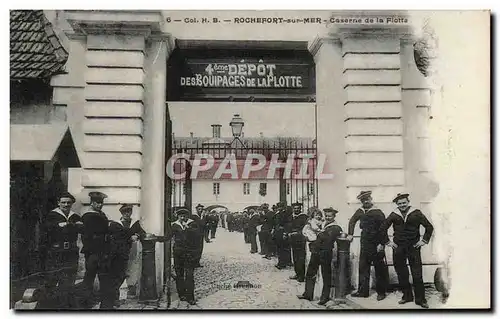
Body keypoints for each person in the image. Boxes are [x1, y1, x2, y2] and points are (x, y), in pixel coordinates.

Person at [380, 193, 434, 309]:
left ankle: (421, 299)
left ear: (408, 202)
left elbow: (429, 227)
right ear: (397, 204)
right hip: (398, 248)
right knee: (402, 273)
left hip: (413, 247)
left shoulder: (416, 213)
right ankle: (407, 296)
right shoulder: (394, 214)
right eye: (399, 204)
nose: (402, 205)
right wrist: (388, 242)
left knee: (417, 273)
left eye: (404, 203)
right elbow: (382, 228)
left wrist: (424, 241)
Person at [42, 192, 82, 308]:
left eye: (68, 203)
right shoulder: (52, 215)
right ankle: (48, 306)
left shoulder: (75, 216)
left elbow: (82, 228)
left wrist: (68, 225)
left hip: (71, 252)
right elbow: (47, 231)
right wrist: (62, 226)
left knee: (69, 279)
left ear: (72, 204)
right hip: (56, 252)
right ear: (58, 203)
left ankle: (65, 306)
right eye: (63, 202)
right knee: (53, 278)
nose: (66, 205)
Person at [347, 191, 389, 301]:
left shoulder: (378, 212)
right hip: (364, 241)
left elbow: (384, 228)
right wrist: (350, 234)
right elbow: (352, 221)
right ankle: (363, 291)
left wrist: (382, 243)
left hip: (376, 242)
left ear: (371, 198)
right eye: (363, 200)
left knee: (379, 268)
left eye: (367, 199)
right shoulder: (360, 211)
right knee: (363, 266)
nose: (365, 201)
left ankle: (381, 292)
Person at [298, 207, 343, 306]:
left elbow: (327, 239)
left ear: (334, 216)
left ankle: (324, 297)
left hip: (325, 253)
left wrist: (318, 235)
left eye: (330, 216)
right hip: (316, 252)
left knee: (325, 275)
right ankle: (308, 294)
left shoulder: (335, 227)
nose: (327, 217)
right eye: (326, 215)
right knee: (310, 272)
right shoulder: (322, 224)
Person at [107, 204, 145, 308]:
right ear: (121, 213)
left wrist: (137, 235)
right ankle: (117, 298)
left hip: (133, 251)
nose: (127, 214)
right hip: (119, 253)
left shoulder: (135, 224)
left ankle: (130, 293)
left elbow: (142, 233)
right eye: (125, 212)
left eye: (129, 211)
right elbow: (115, 239)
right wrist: (129, 239)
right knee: (119, 274)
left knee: (131, 271)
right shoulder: (115, 224)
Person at [80, 191, 112, 308]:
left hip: (103, 251)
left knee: (104, 278)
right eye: (97, 203)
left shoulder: (102, 215)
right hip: (93, 252)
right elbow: (85, 236)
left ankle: (106, 304)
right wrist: (91, 251)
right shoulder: (87, 216)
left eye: (101, 203)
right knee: (89, 278)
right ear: (92, 203)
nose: (100, 205)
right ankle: (85, 303)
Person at [168, 208, 199, 305]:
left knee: (189, 275)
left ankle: (190, 297)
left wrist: (188, 228)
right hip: (178, 253)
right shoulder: (174, 225)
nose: (182, 218)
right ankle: (182, 294)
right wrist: (156, 238)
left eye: (184, 216)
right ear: (178, 216)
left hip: (189, 253)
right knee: (179, 274)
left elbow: (197, 235)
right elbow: (168, 236)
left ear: (187, 216)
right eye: (181, 216)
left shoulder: (192, 224)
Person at [286, 202, 308, 282]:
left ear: (300, 209)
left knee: (301, 257)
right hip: (293, 239)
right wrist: (288, 232)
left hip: (300, 239)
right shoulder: (291, 217)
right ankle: (297, 273)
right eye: (295, 208)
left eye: (298, 208)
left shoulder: (304, 217)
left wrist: (298, 233)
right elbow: (288, 226)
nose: (296, 210)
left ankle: (301, 276)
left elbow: (305, 228)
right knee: (295, 257)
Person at [273, 202, 293, 269]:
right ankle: (283, 262)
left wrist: (285, 232)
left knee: (284, 248)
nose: (279, 208)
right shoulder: (277, 214)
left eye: (281, 207)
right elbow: (275, 224)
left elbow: (288, 224)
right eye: (279, 207)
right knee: (280, 248)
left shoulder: (286, 214)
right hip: (278, 233)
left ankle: (283, 263)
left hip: (283, 233)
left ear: (283, 207)